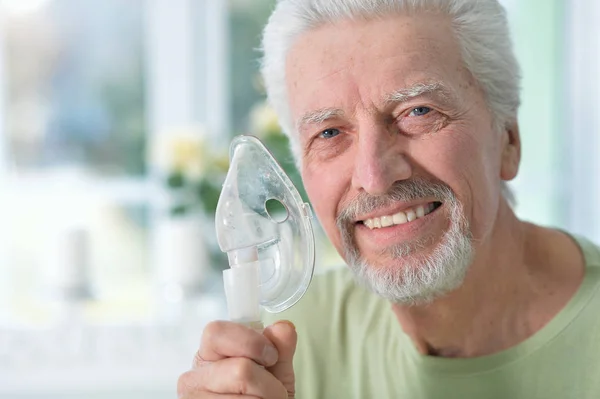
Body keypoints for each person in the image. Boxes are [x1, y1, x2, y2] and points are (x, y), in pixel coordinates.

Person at [177, 0, 600, 398]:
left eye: (418, 111)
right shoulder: (288, 343)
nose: (374, 178)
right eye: (329, 133)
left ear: (507, 139)